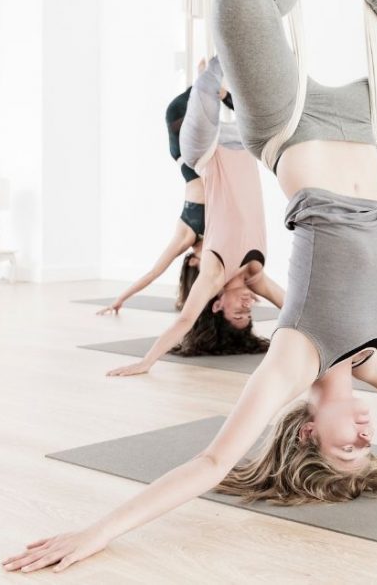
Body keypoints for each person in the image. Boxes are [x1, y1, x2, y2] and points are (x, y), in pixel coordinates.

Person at [4, 0, 377, 572]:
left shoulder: (296, 357)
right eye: (369, 449)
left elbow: (211, 462)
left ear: (309, 432)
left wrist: (97, 532)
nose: (368, 435)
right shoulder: (368, 355)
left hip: (290, 124)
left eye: (350, 448)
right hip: (364, 122)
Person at [106, 57, 284, 375]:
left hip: (205, 151)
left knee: (213, 75)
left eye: (238, 314)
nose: (248, 306)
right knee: (268, 106)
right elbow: (296, 311)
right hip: (245, 144)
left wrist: (147, 362)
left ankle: (211, 66)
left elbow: (185, 319)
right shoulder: (256, 275)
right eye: (249, 314)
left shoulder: (214, 273)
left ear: (217, 305)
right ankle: (223, 79)